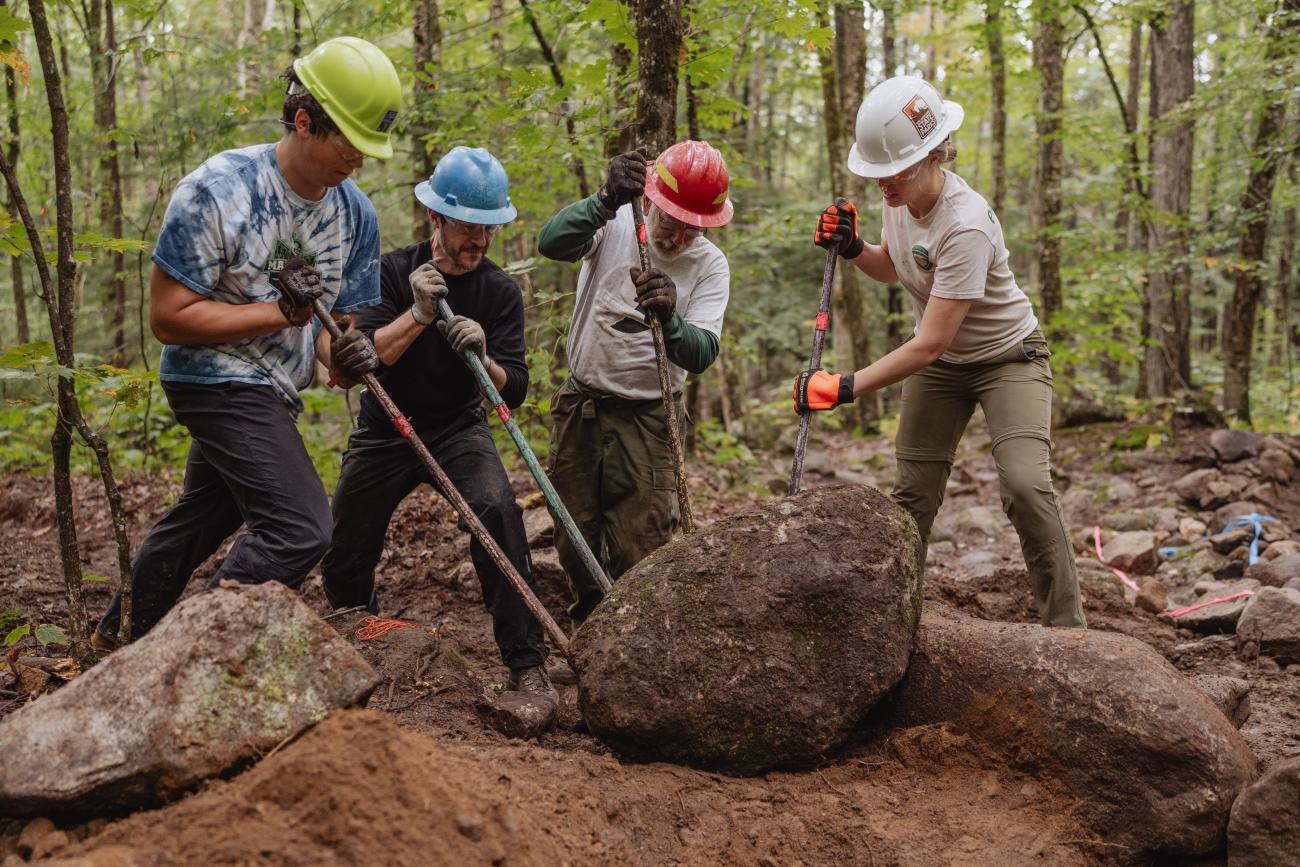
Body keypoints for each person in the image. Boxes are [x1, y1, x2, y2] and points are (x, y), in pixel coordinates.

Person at [93, 37, 400, 650]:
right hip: (210, 378)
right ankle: (184, 658)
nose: (358, 163)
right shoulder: (217, 191)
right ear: (305, 121)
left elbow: (330, 330)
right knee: (300, 528)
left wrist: (345, 352)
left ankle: (117, 639)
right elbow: (167, 318)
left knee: (204, 517)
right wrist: (278, 312)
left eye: (368, 150)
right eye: (348, 145)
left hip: (277, 386)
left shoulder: (356, 215)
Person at [794, 76, 1085, 628]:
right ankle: (894, 622)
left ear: (933, 154)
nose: (884, 184)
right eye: (877, 174)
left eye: (895, 172)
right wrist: (856, 248)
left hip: (1008, 358)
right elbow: (897, 267)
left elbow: (929, 343)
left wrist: (846, 386)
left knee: (1025, 484)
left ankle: (1067, 628)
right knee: (912, 496)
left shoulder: (966, 223)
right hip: (945, 368)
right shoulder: (899, 198)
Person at [320, 147, 556, 705]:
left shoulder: (499, 291)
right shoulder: (389, 273)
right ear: (436, 217)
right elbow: (360, 362)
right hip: (385, 429)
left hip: (457, 430)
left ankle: (526, 663)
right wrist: (420, 314)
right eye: (468, 227)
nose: (480, 240)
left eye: (489, 228)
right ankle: (361, 634)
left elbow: (515, 386)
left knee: (498, 511)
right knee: (344, 538)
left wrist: (486, 358)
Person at [536, 141, 733, 626]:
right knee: (573, 527)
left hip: (649, 418)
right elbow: (552, 244)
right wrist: (603, 199)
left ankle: (635, 636)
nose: (679, 238)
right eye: (671, 223)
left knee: (640, 540)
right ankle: (590, 627)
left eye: (693, 228)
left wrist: (671, 319)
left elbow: (702, 352)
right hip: (582, 403)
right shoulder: (618, 223)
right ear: (652, 201)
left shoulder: (710, 266)